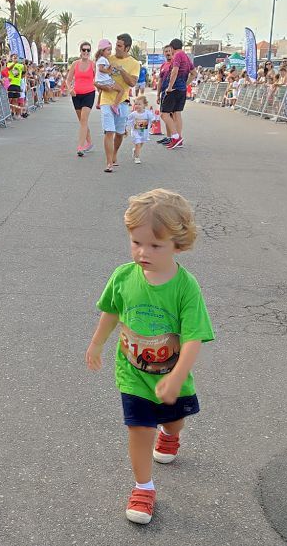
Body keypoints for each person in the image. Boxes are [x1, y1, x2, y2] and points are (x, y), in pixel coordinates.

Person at [85, 189, 214, 525]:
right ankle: (144, 487)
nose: (143, 252)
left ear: (178, 244)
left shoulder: (186, 287)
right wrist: (97, 343)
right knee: (138, 428)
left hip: (172, 376)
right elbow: (112, 312)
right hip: (133, 373)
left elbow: (193, 337)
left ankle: (171, 435)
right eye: (136, 242)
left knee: (172, 421)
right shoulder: (123, 276)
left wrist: (175, 378)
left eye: (155, 246)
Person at [98, 33, 141, 173]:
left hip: (122, 101)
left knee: (119, 132)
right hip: (106, 100)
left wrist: (121, 69)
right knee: (108, 131)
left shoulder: (134, 64)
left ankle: (114, 153)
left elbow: (132, 83)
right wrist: (103, 89)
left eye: (119, 46)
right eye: (115, 45)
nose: (116, 48)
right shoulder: (107, 58)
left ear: (127, 48)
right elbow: (98, 77)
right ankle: (109, 162)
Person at [159, 39, 193, 148]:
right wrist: (185, 84)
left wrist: (169, 87)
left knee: (164, 114)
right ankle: (178, 139)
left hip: (173, 89)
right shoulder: (186, 57)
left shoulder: (177, 55)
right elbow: (194, 73)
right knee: (176, 113)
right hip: (181, 89)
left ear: (173, 48)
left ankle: (175, 137)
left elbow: (174, 71)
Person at [65, 40, 95, 157]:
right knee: (82, 121)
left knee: (83, 120)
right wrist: (70, 89)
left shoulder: (93, 65)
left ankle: (80, 147)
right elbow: (68, 80)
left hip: (89, 93)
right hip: (76, 95)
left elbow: (98, 80)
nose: (86, 52)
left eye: (88, 50)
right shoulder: (75, 64)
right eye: (84, 50)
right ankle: (89, 142)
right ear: (80, 51)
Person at [127, 95, 154, 165]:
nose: (137, 106)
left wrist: (153, 120)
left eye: (139, 104)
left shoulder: (147, 113)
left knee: (141, 143)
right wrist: (126, 126)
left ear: (144, 105)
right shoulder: (133, 114)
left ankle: (135, 150)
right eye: (136, 104)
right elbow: (128, 120)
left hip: (144, 132)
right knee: (138, 143)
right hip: (136, 132)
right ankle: (137, 157)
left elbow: (152, 118)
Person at [94, 39, 117, 111]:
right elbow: (101, 69)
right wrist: (108, 71)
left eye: (111, 50)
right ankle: (115, 105)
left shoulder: (102, 59)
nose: (110, 52)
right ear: (102, 50)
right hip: (105, 80)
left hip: (102, 80)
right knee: (121, 90)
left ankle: (98, 103)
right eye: (108, 50)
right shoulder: (102, 59)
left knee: (102, 91)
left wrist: (110, 69)